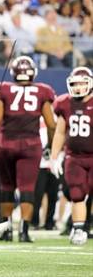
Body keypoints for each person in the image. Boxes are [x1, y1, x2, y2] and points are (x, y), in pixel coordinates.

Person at [0, 56, 56, 243]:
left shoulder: (5, 89)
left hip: (6, 145)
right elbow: (51, 124)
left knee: (6, 187)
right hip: (31, 145)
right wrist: (51, 146)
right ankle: (24, 231)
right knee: (27, 188)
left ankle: (6, 230)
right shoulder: (43, 91)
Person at [51, 66, 93, 245]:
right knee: (76, 193)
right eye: (75, 84)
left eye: (82, 83)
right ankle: (78, 228)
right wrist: (54, 157)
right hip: (74, 157)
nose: (78, 87)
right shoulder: (64, 102)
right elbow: (60, 132)